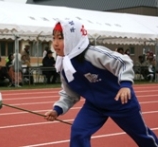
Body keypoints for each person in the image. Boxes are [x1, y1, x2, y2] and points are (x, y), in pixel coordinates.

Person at [44, 19, 158, 147]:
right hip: (95, 107)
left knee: (143, 137)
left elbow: (123, 62)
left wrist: (125, 84)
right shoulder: (64, 66)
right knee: (78, 132)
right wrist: (57, 109)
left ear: (73, 38)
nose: (55, 43)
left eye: (60, 38)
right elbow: (70, 93)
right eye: (53, 38)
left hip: (122, 103)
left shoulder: (93, 54)